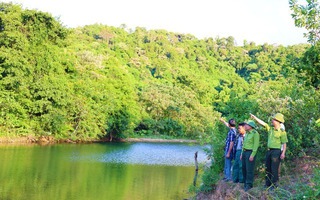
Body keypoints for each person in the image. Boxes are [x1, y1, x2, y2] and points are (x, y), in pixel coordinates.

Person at [250, 113, 288, 190]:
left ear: (278, 121)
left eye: (273, 119)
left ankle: (274, 185)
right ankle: (268, 184)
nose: (272, 120)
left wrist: (283, 153)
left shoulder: (282, 132)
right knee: (268, 168)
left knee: (274, 168)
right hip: (269, 151)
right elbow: (263, 123)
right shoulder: (270, 129)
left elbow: (284, 143)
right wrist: (255, 118)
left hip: (276, 152)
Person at [241, 120, 260, 191]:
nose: (245, 126)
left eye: (246, 125)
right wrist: (242, 153)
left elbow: (256, 145)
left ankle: (249, 184)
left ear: (250, 126)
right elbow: (244, 144)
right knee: (244, 168)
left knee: (249, 169)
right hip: (245, 152)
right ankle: (245, 183)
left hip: (250, 152)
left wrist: (252, 155)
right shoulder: (247, 133)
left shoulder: (255, 133)